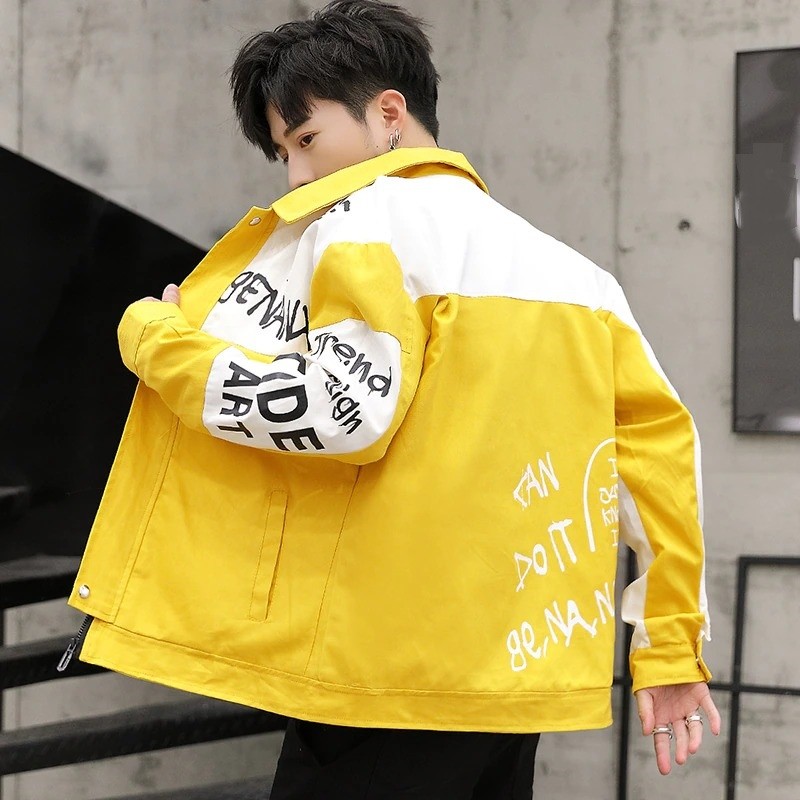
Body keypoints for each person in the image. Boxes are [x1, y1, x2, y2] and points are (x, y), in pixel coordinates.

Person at [64, 1, 721, 796]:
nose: (297, 175)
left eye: (306, 139)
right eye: (284, 153)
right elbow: (660, 459)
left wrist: (156, 340)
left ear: (387, 113)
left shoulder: (366, 222)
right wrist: (670, 648)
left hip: (382, 676)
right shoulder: (580, 279)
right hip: (514, 683)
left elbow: (340, 411)